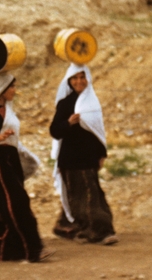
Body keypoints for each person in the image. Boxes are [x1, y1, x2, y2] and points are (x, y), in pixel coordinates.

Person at [0, 71, 53, 262]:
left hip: (10, 162)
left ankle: (14, 248)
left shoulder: (8, 111)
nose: (14, 90)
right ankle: (32, 249)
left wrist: (25, 155)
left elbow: (14, 138)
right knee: (15, 203)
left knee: (8, 204)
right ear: (2, 89)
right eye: (11, 87)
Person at [50, 63, 118, 245]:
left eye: (82, 77)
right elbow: (55, 131)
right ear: (69, 81)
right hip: (70, 159)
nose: (79, 81)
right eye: (75, 78)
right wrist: (69, 123)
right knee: (83, 195)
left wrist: (102, 153)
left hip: (88, 158)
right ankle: (99, 231)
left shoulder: (92, 103)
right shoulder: (65, 104)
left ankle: (67, 226)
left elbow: (98, 131)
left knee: (89, 194)